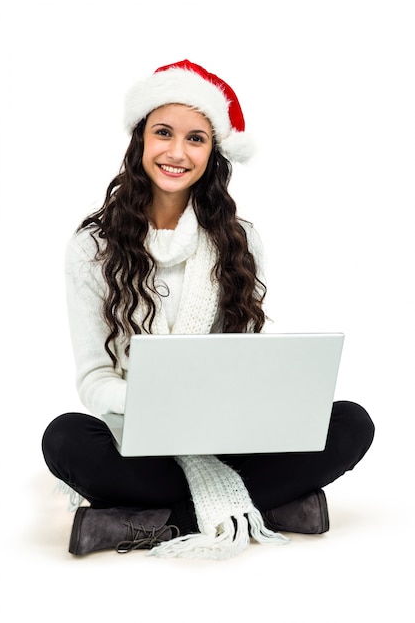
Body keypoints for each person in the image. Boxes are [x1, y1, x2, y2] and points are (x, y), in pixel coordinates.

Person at [42, 60, 375, 560]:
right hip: (138, 438)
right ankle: (273, 509)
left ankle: (149, 523)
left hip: (223, 435)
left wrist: (251, 403)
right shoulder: (92, 248)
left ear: (213, 152)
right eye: (163, 133)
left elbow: (241, 362)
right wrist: (157, 406)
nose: (177, 152)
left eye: (195, 138)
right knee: (65, 439)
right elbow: (94, 378)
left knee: (351, 423)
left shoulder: (240, 242)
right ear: (140, 141)